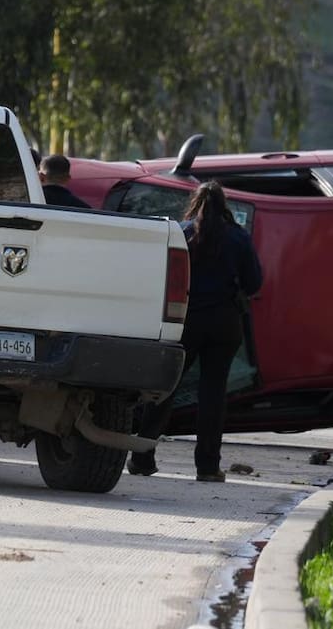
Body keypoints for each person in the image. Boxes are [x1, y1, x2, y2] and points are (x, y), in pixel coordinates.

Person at [0, 152, 91, 463]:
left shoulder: (10, 206)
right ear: (68, 177)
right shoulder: (84, 214)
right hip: (55, 311)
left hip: (0, 301)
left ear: (39, 175)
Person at [128, 180, 262, 482]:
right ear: (224, 205)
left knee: (165, 389)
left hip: (184, 322)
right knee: (213, 395)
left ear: (195, 203)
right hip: (224, 323)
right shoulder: (239, 238)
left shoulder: (182, 233)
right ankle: (208, 467)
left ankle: (142, 457)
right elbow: (254, 283)